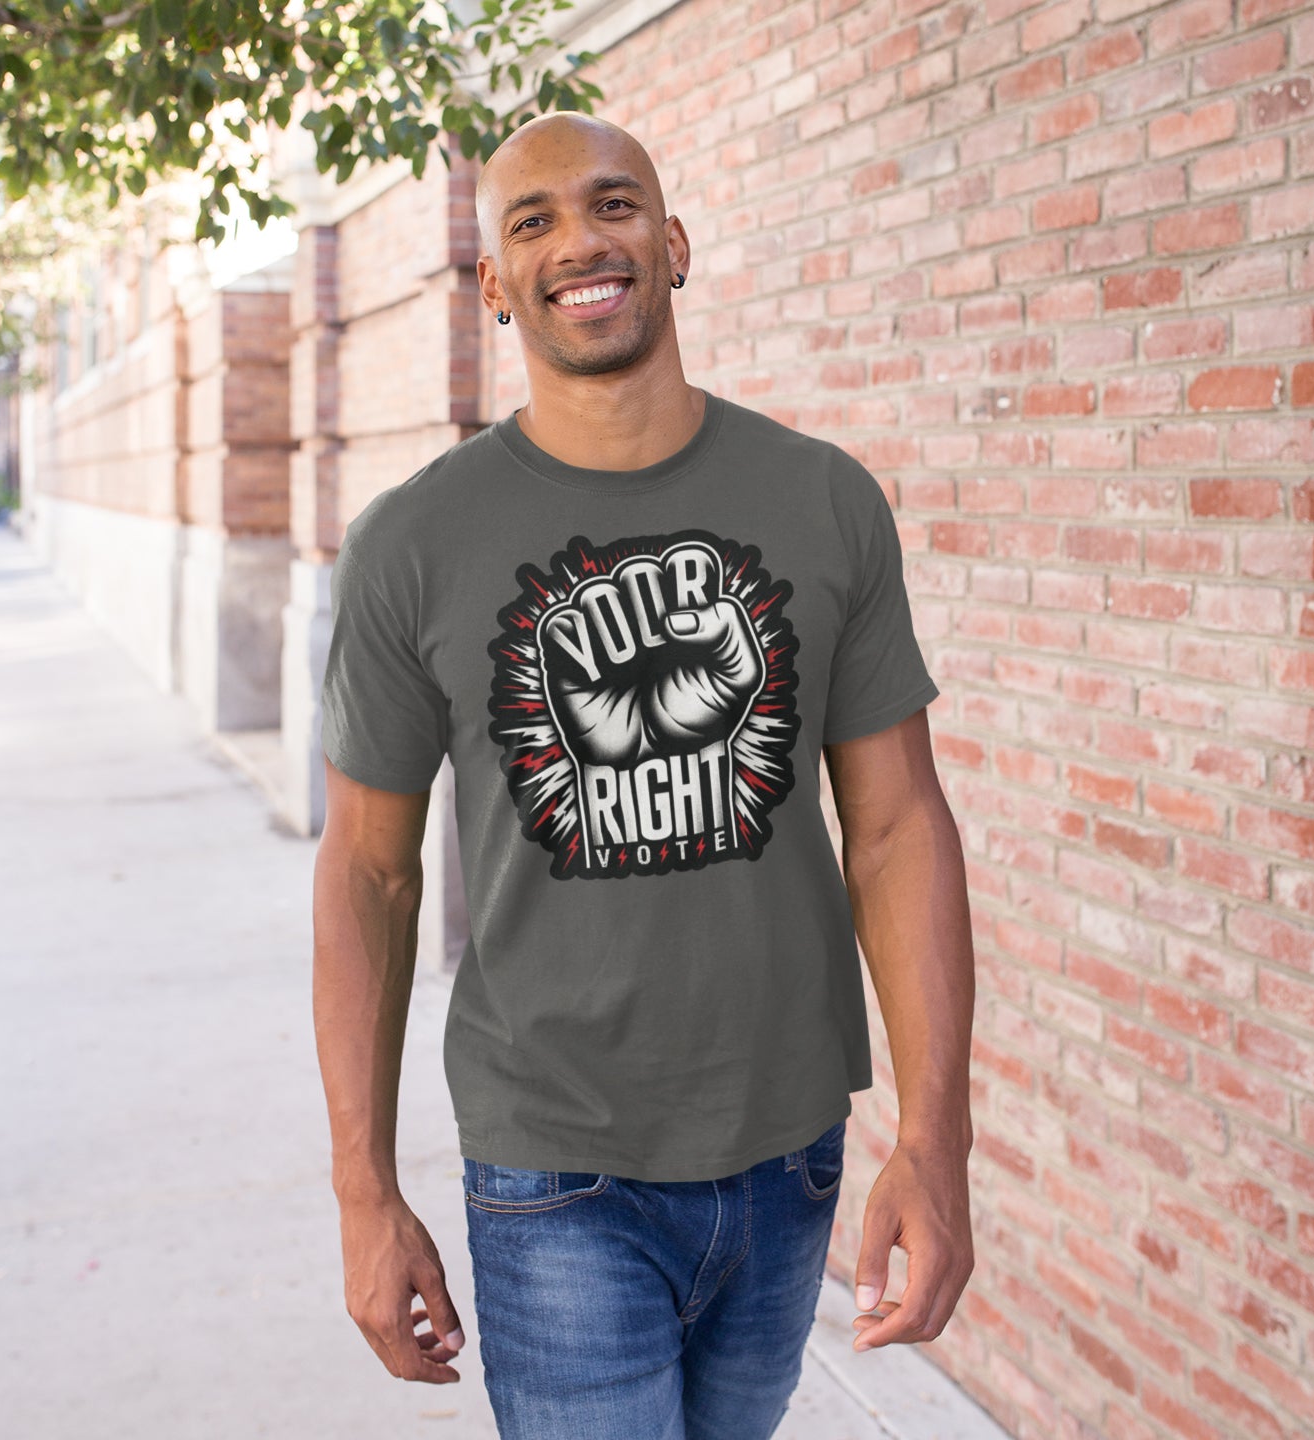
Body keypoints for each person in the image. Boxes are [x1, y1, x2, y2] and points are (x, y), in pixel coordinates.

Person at [312, 112, 975, 1440]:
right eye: (532, 221)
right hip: (556, 1160)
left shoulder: (823, 498)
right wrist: (364, 1196)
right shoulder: (414, 544)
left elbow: (898, 830)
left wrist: (935, 1141)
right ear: (495, 288)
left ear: (670, 245)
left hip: (790, 1146)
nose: (579, 242)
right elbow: (368, 878)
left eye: (612, 205)